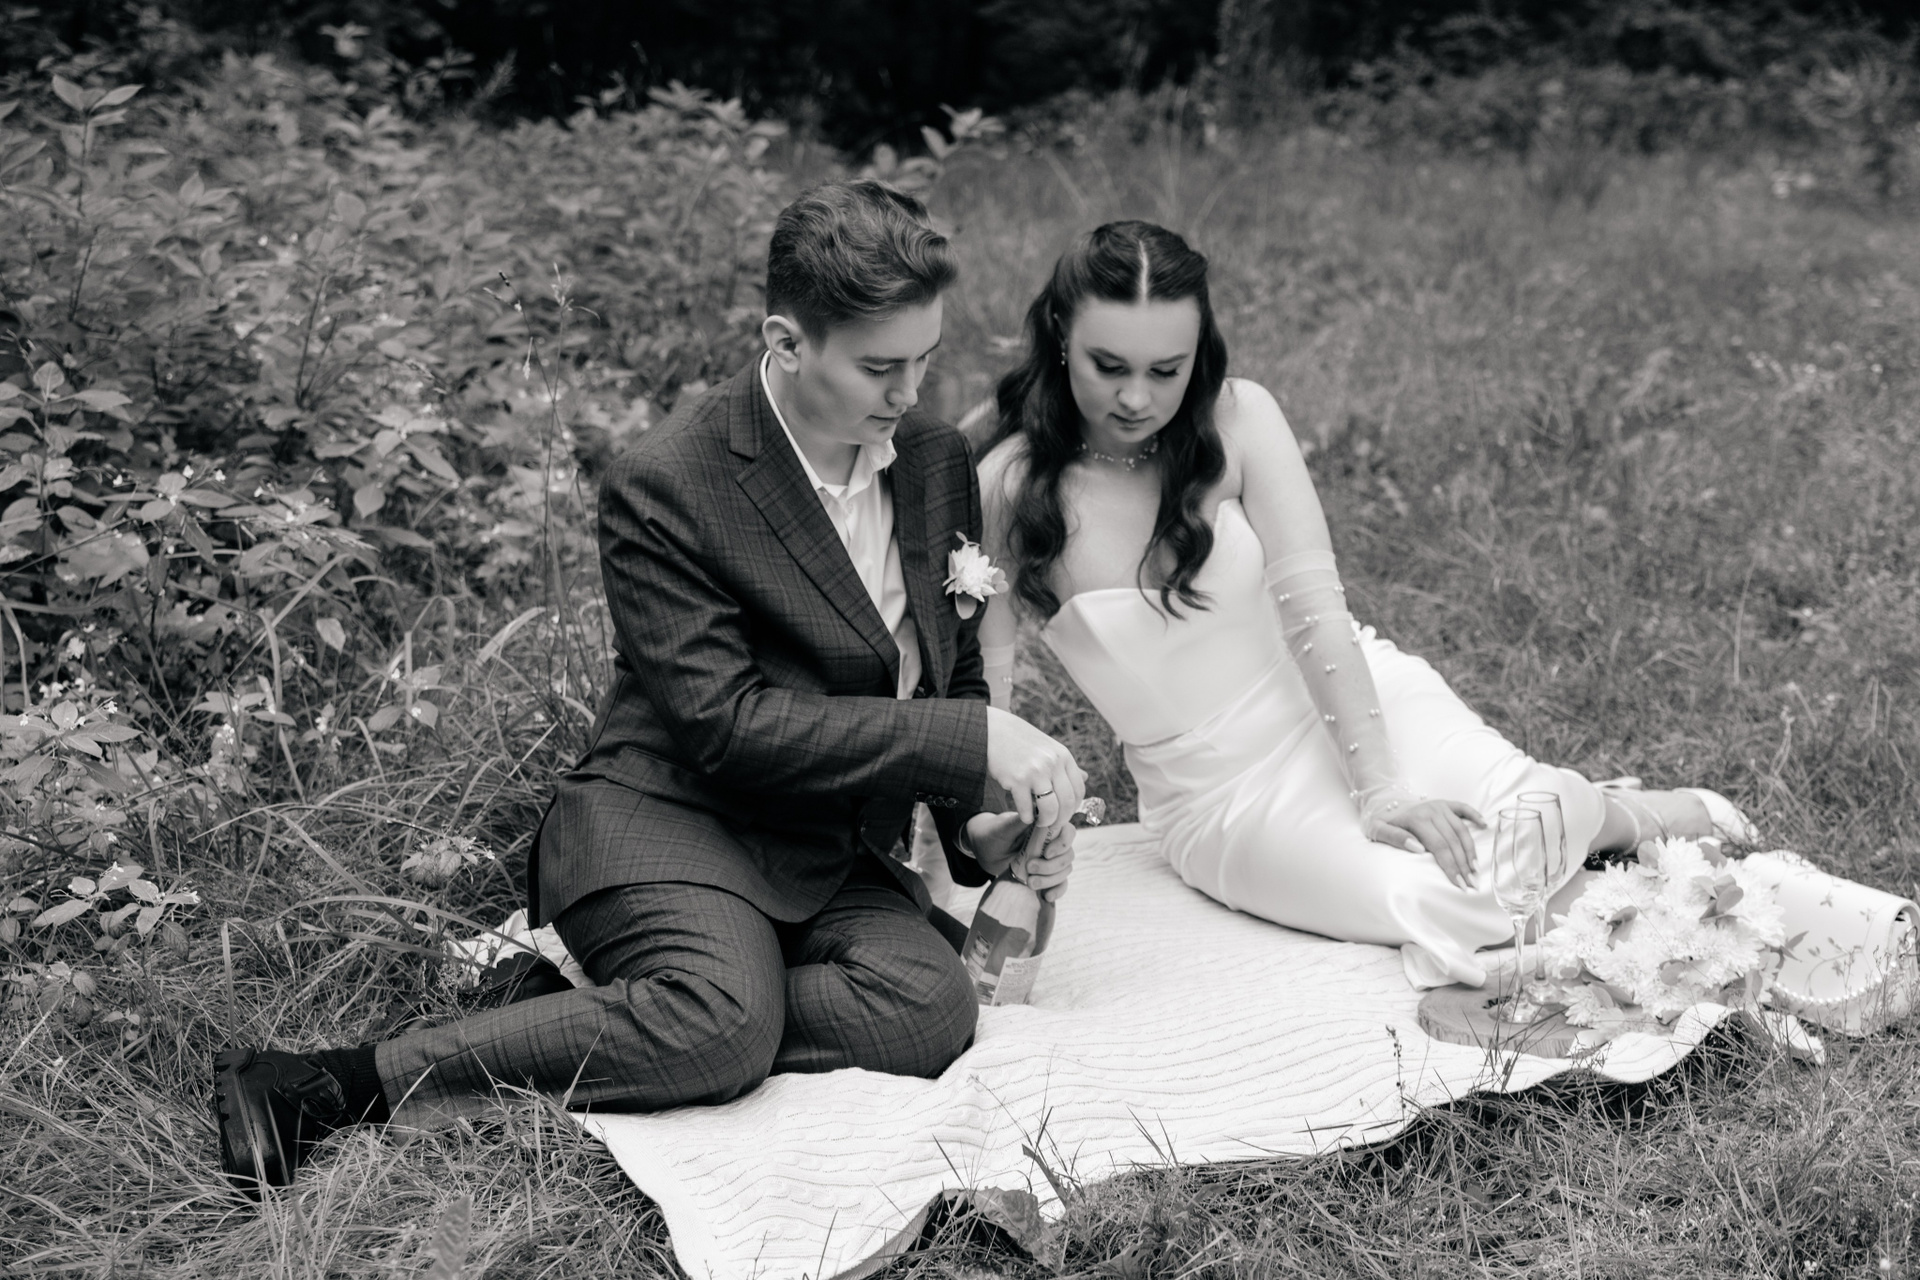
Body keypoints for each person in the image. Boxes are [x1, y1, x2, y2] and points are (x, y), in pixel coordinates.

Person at [210, 180, 1086, 1194]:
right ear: (786, 342)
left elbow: (949, 668)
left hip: (823, 841)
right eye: (880, 366)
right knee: (725, 1025)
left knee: (929, 1009)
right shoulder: (669, 479)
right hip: (671, 814)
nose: (909, 391)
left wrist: (980, 829)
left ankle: (585, 1011)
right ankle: (328, 1084)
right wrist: (971, 739)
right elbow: (729, 727)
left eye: (925, 359)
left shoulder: (934, 460)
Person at [975, 220, 1754, 989]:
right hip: (1225, 797)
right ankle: (1594, 848)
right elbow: (985, 707)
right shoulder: (1009, 490)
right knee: (1437, 896)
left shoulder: (1239, 417)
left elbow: (1315, 613)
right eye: (1108, 366)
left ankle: (1620, 817)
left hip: (1355, 701)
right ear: (1060, 336)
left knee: (1527, 816)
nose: (1136, 397)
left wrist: (1381, 790)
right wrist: (989, 828)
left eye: (1166, 370)